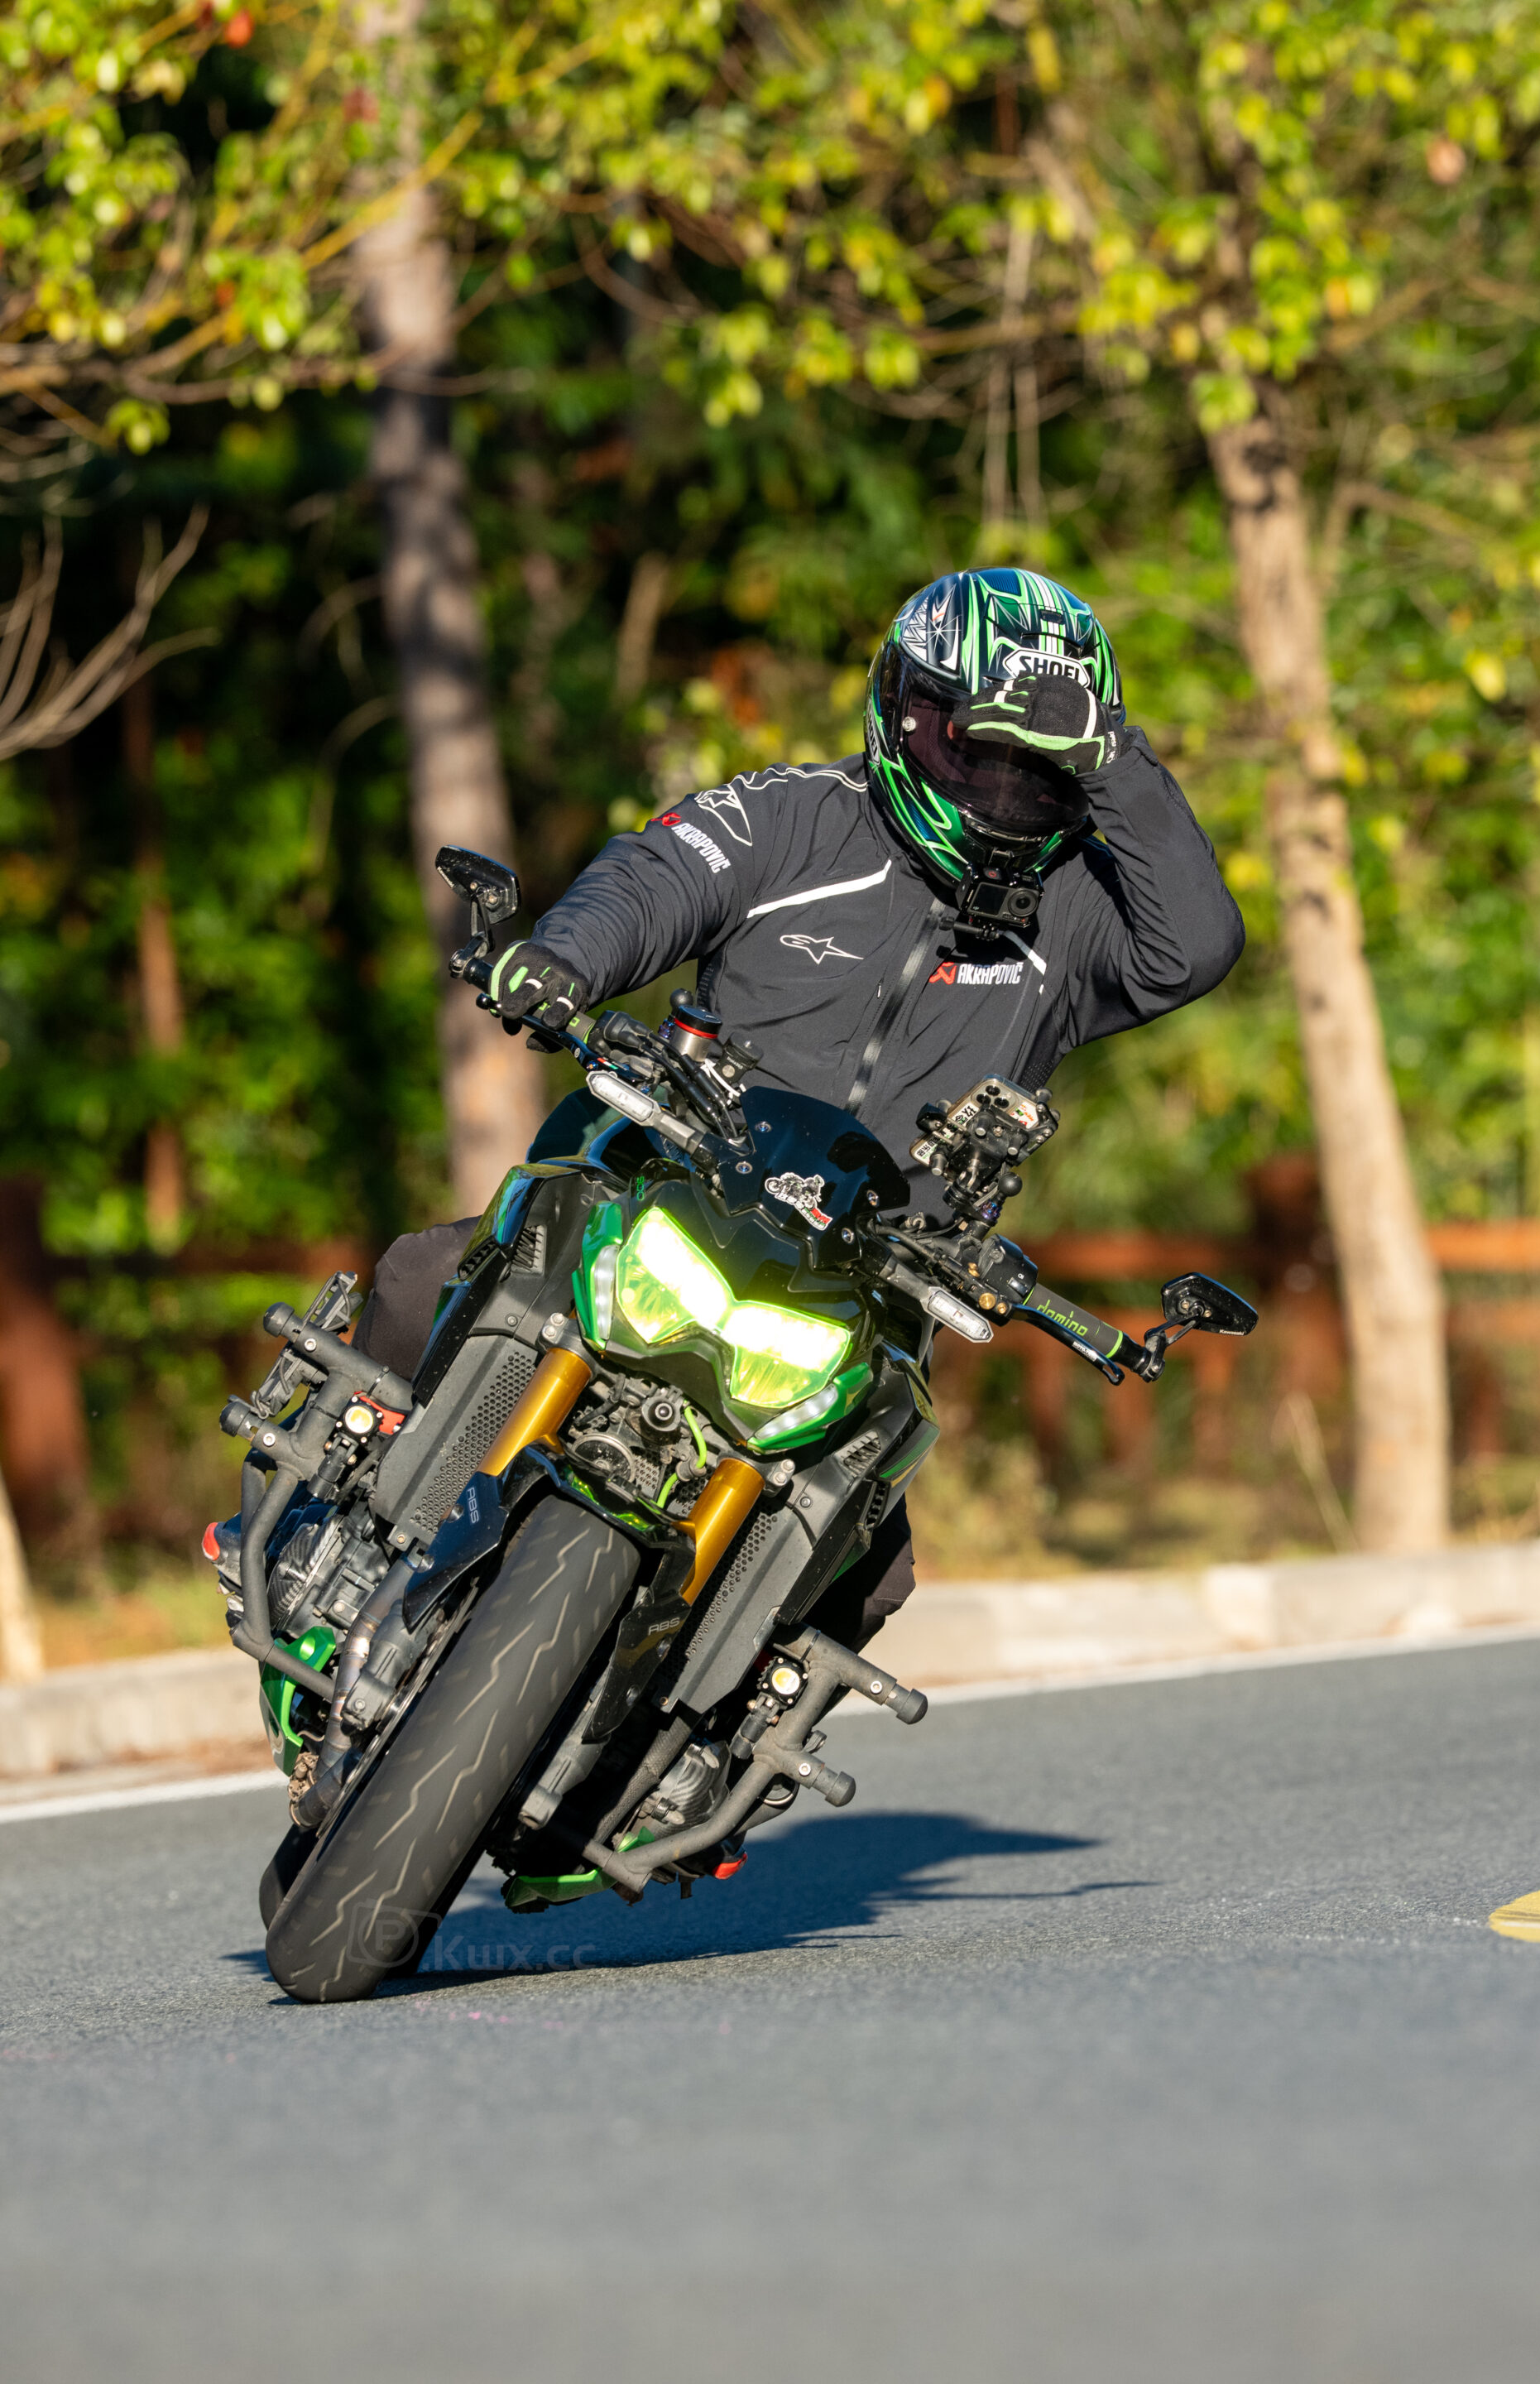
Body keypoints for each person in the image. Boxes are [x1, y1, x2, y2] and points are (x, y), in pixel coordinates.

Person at [354, 565, 1245, 1650]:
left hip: (871, 1275)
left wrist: (1116, 759)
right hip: (673, 1175)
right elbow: (654, 877)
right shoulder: (790, 816)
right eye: (978, 749)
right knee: (424, 1278)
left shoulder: (1077, 911)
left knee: (869, 1570)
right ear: (903, 711)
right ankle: (341, 1524)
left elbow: (1195, 948)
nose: (1002, 786)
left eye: (1039, 766)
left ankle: (697, 1747)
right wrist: (564, 960)